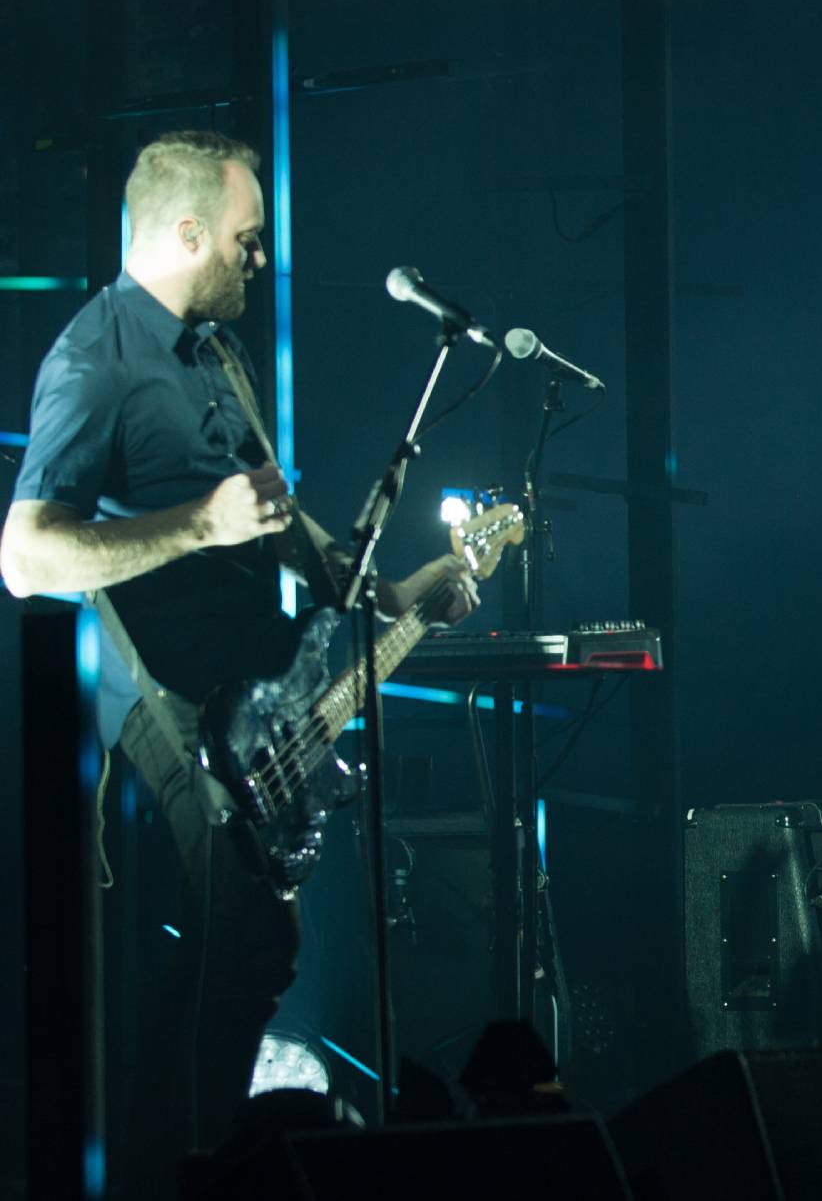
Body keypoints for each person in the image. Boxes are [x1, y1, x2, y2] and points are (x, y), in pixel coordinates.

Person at [0, 131, 478, 1181]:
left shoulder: (218, 353)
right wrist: (196, 527)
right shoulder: (93, 360)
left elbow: (273, 514)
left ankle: (189, 1158)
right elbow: (25, 556)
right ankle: (178, 1168)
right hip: (160, 698)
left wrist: (387, 593)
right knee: (247, 943)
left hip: (253, 690)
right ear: (185, 233)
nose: (261, 259)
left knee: (251, 954)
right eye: (245, 240)